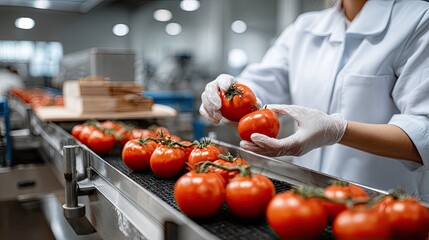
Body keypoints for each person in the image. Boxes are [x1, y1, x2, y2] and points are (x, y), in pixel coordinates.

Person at [200, 0, 429, 201]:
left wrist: (338, 130)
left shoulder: (418, 19)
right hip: (306, 200)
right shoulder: (304, 27)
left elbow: (423, 132)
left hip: (384, 207)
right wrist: (224, 94)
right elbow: (260, 88)